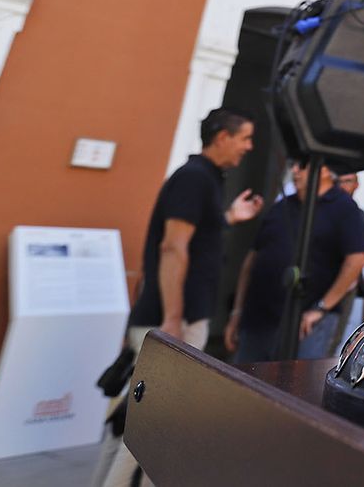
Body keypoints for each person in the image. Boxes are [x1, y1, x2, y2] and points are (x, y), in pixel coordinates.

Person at [101, 108, 262, 487]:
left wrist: (228, 219)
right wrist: (173, 318)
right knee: (155, 426)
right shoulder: (194, 179)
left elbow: (192, 240)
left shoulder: (203, 180)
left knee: (135, 420)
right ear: (222, 137)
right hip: (176, 320)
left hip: (172, 316)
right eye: (245, 138)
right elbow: (173, 248)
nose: (249, 147)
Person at [228, 161, 364, 362]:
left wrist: (321, 307)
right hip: (258, 321)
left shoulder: (345, 208)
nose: (295, 170)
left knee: (293, 386)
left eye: (302, 165)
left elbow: (356, 260)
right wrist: (237, 312)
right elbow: (252, 260)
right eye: (294, 165)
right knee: (243, 383)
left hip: (307, 325)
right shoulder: (281, 207)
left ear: (325, 170)